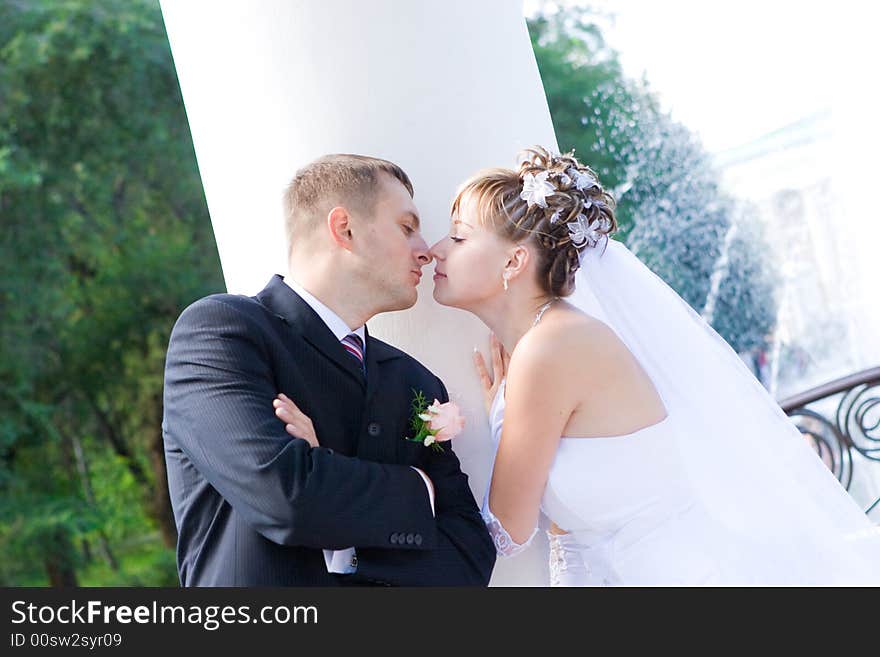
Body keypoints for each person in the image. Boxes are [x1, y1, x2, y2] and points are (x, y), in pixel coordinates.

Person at [425, 145, 880, 585]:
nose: (436, 249)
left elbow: (506, 531)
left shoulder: (549, 350)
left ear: (514, 260)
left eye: (459, 236)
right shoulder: (550, 342)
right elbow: (568, 536)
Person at [162, 154, 495, 586]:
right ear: (345, 229)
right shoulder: (222, 332)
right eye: (407, 227)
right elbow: (287, 496)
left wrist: (331, 490)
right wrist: (419, 489)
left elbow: (470, 558)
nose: (427, 251)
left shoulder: (415, 381)